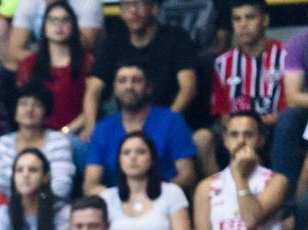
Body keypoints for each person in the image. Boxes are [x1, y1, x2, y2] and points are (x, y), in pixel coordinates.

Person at [81, 0, 197, 138]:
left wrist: (166, 124)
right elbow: (93, 90)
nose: (133, 11)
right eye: (126, 6)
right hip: (124, 125)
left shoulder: (176, 38)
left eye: (139, 4)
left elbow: (188, 88)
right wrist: (91, 128)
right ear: (121, 13)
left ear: (154, 9)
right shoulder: (113, 42)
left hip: (171, 125)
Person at [196, 0, 286, 177]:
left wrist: (275, 119)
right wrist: (234, 127)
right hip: (234, 125)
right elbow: (221, 108)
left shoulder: (285, 56)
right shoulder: (223, 62)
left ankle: (279, 193)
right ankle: (218, 191)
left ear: (265, 20)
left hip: (274, 125)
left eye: (250, 17)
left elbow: (290, 103)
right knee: (201, 138)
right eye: (237, 19)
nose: (243, 24)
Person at [83, 61, 198, 195]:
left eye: (136, 81)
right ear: (114, 89)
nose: (129, 86)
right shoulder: (103, 128)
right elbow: (90, 185)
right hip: (119, 204)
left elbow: (188, 176)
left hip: (162, 199)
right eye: (122, 81)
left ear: (148, 87)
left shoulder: (172, 121)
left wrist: (148, 197)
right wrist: (123, 199)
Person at [99, 132, 191, 230]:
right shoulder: (107, 198)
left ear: (152, 159)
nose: (133, 157)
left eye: (140, 152)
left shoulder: (172, 192)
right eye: (126, 153)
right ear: (119, 161)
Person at [13, 0, 92, 134]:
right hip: (36, 133)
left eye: (65, 20)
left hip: (76, 133)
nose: (59, 25)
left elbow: (92, 106)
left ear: (73, 26)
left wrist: (66, 132)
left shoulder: (88, 62)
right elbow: (22, 106)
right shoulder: (28, 64)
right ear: (44, 28)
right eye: (53, 20)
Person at [0, 86, 76, 200]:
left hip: (51, 208)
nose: (29, 109)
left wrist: (34, 205)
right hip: (9, 208)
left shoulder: (59, 141)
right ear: (15, 112)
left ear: (45, 112)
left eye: (37, 105)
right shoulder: (2, 144)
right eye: (23, 104)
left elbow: (61, 186)